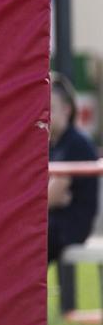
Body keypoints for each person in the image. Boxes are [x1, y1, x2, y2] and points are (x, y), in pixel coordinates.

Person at [48, 74, 99, 274]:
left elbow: (53, 195)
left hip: (70, 226)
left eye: (50, 108)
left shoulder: (75, 143)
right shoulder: (54, 144)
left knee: (24, 241)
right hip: (57, 222)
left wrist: (41, 198)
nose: (45, 114)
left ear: (67, 110)